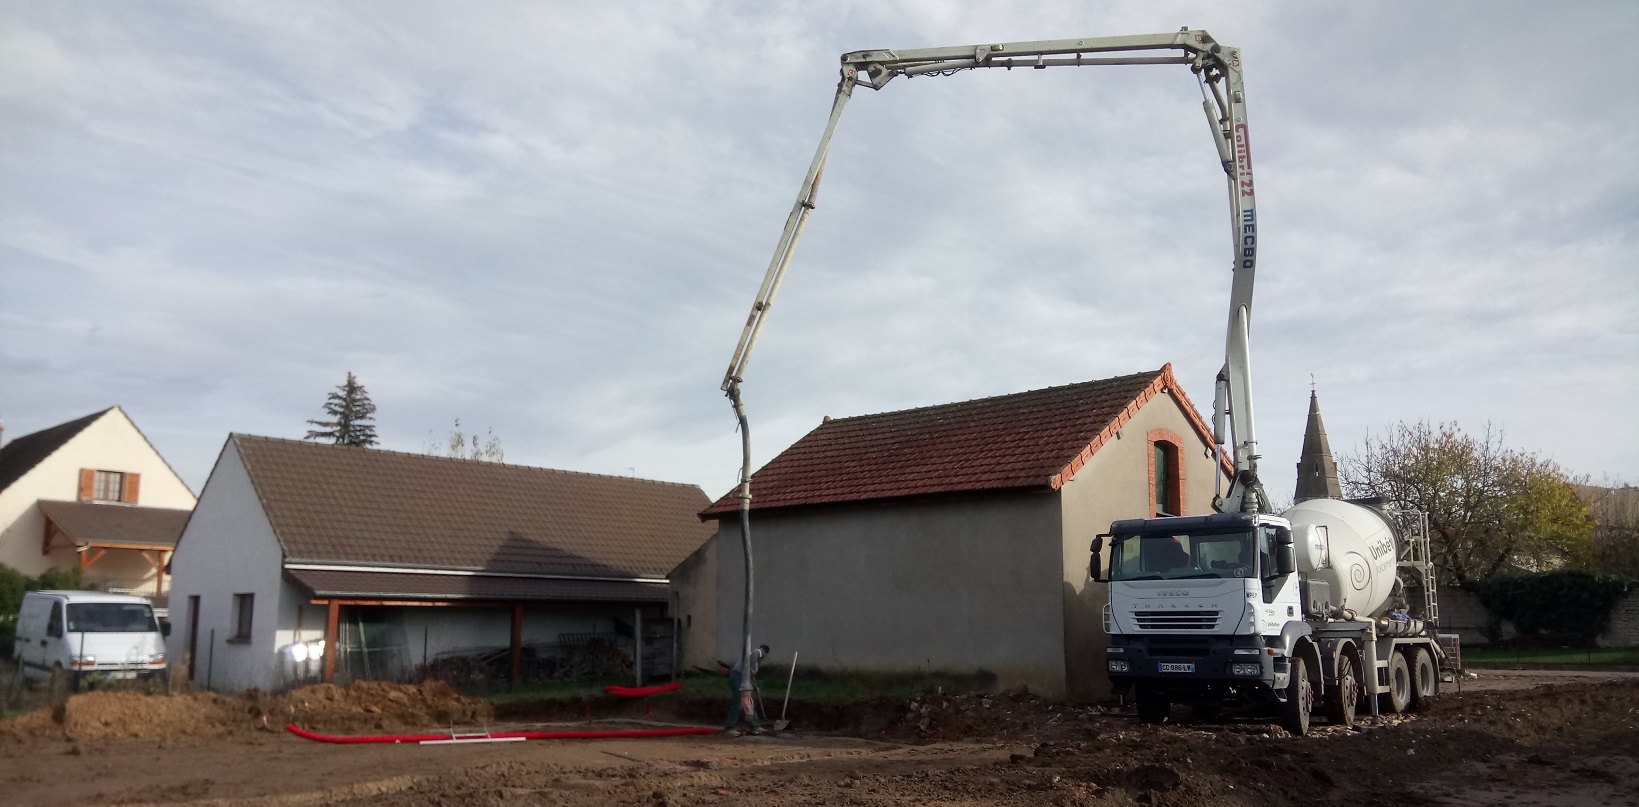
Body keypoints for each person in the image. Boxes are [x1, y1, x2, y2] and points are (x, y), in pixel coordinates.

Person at [722, 643, 769, 735]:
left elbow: (748, 677)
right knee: (738, 702)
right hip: (738, 677)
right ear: (766, 653)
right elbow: (756, 653)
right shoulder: (758, 652)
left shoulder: (751, 658)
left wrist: (755, 687)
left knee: (749, 702)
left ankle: (755, 725)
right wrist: (753, 668)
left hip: (742, 677)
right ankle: (729, 727)